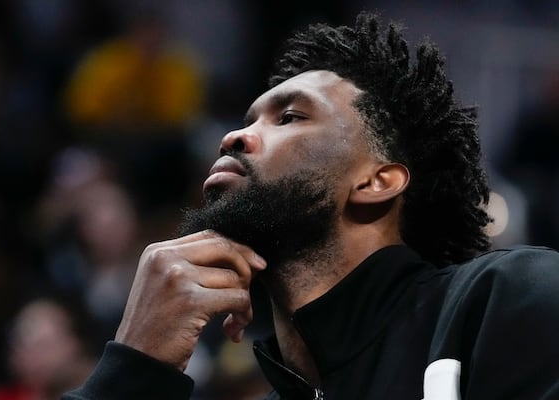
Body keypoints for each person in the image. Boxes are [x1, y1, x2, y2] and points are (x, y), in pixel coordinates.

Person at [62, 11, 559, 400]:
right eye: (247, 119)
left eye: (290, 117)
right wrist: (132, 367)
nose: (233, 136)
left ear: (377, 180)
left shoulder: (511, 300)